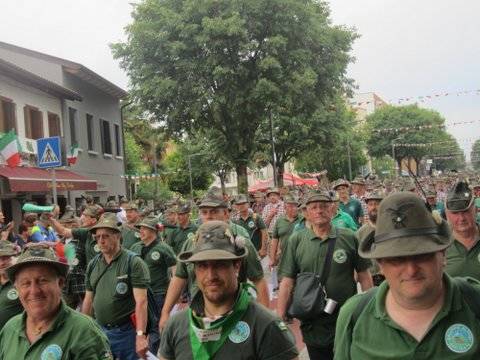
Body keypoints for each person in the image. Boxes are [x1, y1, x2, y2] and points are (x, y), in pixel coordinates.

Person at [334, 191, 480, 359]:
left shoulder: (474, 301)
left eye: (422, 255)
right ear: (380, 264)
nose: (411, 270)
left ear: (443, 255)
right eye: (397, 259)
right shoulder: (354, 315)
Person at [159, 221, 299, 360]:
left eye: (220, 265)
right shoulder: (176, 325)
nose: (211, 275)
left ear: (237, 266)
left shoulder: (266, 326)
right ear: (194, 270)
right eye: (202, 266)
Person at [277, 190, 372, 360]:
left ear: (332, 209)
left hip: (345, 317)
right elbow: (287, 281)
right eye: (313, 207)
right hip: (313, 321)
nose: (319, 211)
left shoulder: (349, 237)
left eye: (323, 206)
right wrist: (279, 317)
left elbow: (364, 275)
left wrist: (369, 309)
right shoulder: (297, 240)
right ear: (306, 213)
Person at [159, 192, 269, 332]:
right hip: (199, 315)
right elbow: (179, 278)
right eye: (204, 212)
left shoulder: (240, 243)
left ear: (226, 214)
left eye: (214, 211)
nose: (208, 216)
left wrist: (266, 318)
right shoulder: (191, 244)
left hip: (234, 315)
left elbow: (258, 280)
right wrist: (165, 312)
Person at [0, 244, 112, 359]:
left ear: (60, 283)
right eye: (25, 283)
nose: (34, 291)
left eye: (42, 280)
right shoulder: (10, 329)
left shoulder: (84, 332)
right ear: (16, 288)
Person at [82, 213, 150, 359]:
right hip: (99, 331)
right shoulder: (93, 265)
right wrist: (82, 330)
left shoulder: (133, 262)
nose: (101, 241)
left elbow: (141, 302)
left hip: (125, 332)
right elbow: (88, 300)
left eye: (105, 236)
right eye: (98, 237)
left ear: (118, 236)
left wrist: (140, 335)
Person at [131, 214, 177, 354]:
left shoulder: (164, 248)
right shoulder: (135, 247)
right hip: (139, 295)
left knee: (157, 326)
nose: (141, 231)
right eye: (141, 228)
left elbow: (176, 271)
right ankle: (143, 349)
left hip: (158, 294)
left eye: (145, 228)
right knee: (140, 324)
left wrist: (177, 294)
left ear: (154, 231)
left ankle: (156, 353)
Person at [444, 181, 480, 279]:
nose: (461, 218)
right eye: (455, 213)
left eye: (465, 211)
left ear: (475, 210)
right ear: (447, 214)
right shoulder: (439, 245)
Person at [356, 190, 385, 286]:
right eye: (370, 204)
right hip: (371, 280)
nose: (373, 207)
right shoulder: (360, 233)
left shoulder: (392, 228)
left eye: (377, 204)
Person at [0, 240, 23, 330]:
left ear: (12, 258)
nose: (2, 263)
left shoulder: (21, 282)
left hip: (13, 337)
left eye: (5, 257)